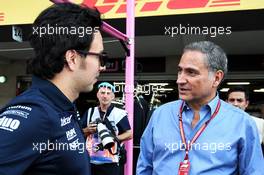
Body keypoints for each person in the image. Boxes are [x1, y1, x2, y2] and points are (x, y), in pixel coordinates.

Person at [0, 3, 105, 175]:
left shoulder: (62, 107)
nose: (102, 67)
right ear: (72, 58)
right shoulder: (35, 115)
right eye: (101, 57)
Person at [136, 41, 264, 175]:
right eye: (180, 71)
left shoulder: (242, 122)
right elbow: (144, 166)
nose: (180, 80)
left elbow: (253, 171)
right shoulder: (160, 115)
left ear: (216, 78)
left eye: (191, 72)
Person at [81, 82, 132, 175]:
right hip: (90, 161)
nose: (105, 96)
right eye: (102, 93)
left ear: (113, 96)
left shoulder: (119, 113)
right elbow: (79, 132)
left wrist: (113, 138)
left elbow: (129, 134)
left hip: (111, 162)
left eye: (108, 93)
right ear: (97, 95)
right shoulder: (90, 112)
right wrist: (87, 130)